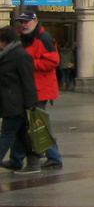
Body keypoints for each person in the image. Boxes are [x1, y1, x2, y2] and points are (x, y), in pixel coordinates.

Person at [10, 13, 61, 169]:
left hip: (40, 89)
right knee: (24, 124)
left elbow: (53, 61)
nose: (24, 25)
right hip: (29, 88)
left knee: (37, 124)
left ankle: (54, 157)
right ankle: (16, 159)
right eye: (21, 22)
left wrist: (29, 63)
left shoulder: (44, 38)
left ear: (35, 21)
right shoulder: (24, 38)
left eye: (27, 21)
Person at [0, 26, 37, 174]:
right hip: (10, 101)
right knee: (22, 133)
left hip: (16, 102)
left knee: (7, 133)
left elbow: (28, 80)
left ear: (4, 41)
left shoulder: (20, 55)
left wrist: (31, 103)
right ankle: (33, 160)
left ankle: (32, 161)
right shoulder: (6, 55)